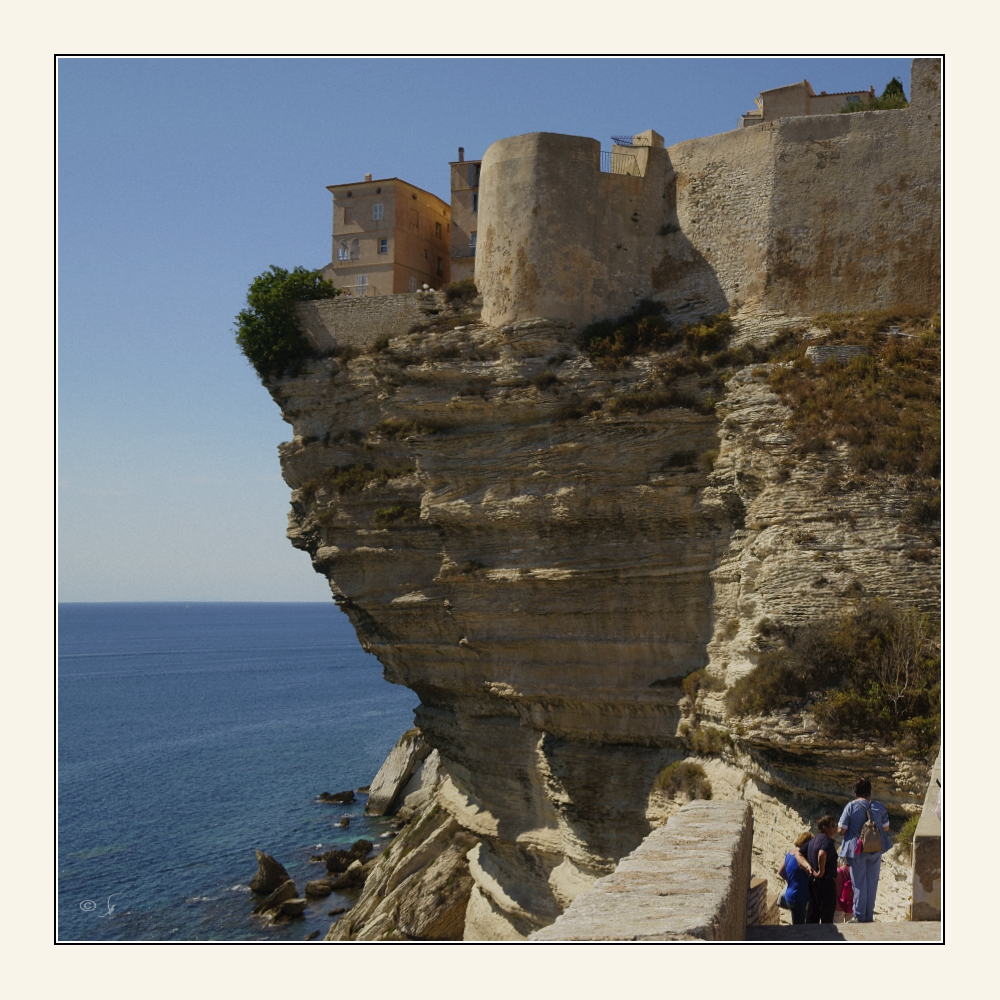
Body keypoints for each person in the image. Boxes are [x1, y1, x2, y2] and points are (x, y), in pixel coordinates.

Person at [838, 775, 891, 923]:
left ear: (855, 791)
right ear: (869, 791)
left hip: (857, 850)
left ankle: (860, 916)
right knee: (872, 883)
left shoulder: (850, 806)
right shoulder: (879, 806)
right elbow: (886, 827)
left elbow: (842, 829)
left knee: (859, 883)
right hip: (876, 849)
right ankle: (869, 916)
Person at [806, 814, 839, 923]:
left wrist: (808, 867)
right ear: (825, 827)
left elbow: (798, 855)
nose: (835, 827)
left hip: (813, 883)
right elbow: (822, 854)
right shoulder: (828, 841)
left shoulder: (813, 840)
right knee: (826, 918)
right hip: (826, 883)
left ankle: (811, 938)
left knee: (812, 915)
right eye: (833, 825)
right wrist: (821, 871)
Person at [777, 832, 816, 925]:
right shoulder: (802, 858)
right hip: (800, 896)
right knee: (799, 927)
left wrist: (792, 880)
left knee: (798, 923)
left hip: (790, 894)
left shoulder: (789, 854)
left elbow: (780, 872)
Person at [834, 857, 854, 923]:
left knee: (839, 928)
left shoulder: (837, 872)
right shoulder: (855, 872)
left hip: (838, 905)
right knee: (852, 929)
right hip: (851, 905)